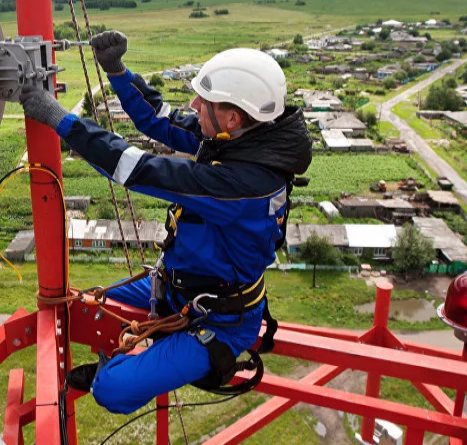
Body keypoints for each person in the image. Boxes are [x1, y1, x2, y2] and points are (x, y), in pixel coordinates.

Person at [19, 30, 312, 414]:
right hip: (178, 286)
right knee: (82, 309)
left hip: (220, 317)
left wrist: (60, 121)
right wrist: (118, 71)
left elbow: (136, 168)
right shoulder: (240, 140)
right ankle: (138, 358)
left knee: (113, 391)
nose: (193, 105)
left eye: (202, 102)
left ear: (231, 116)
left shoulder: (244, 185)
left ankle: (113, 371)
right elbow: (159, 121)